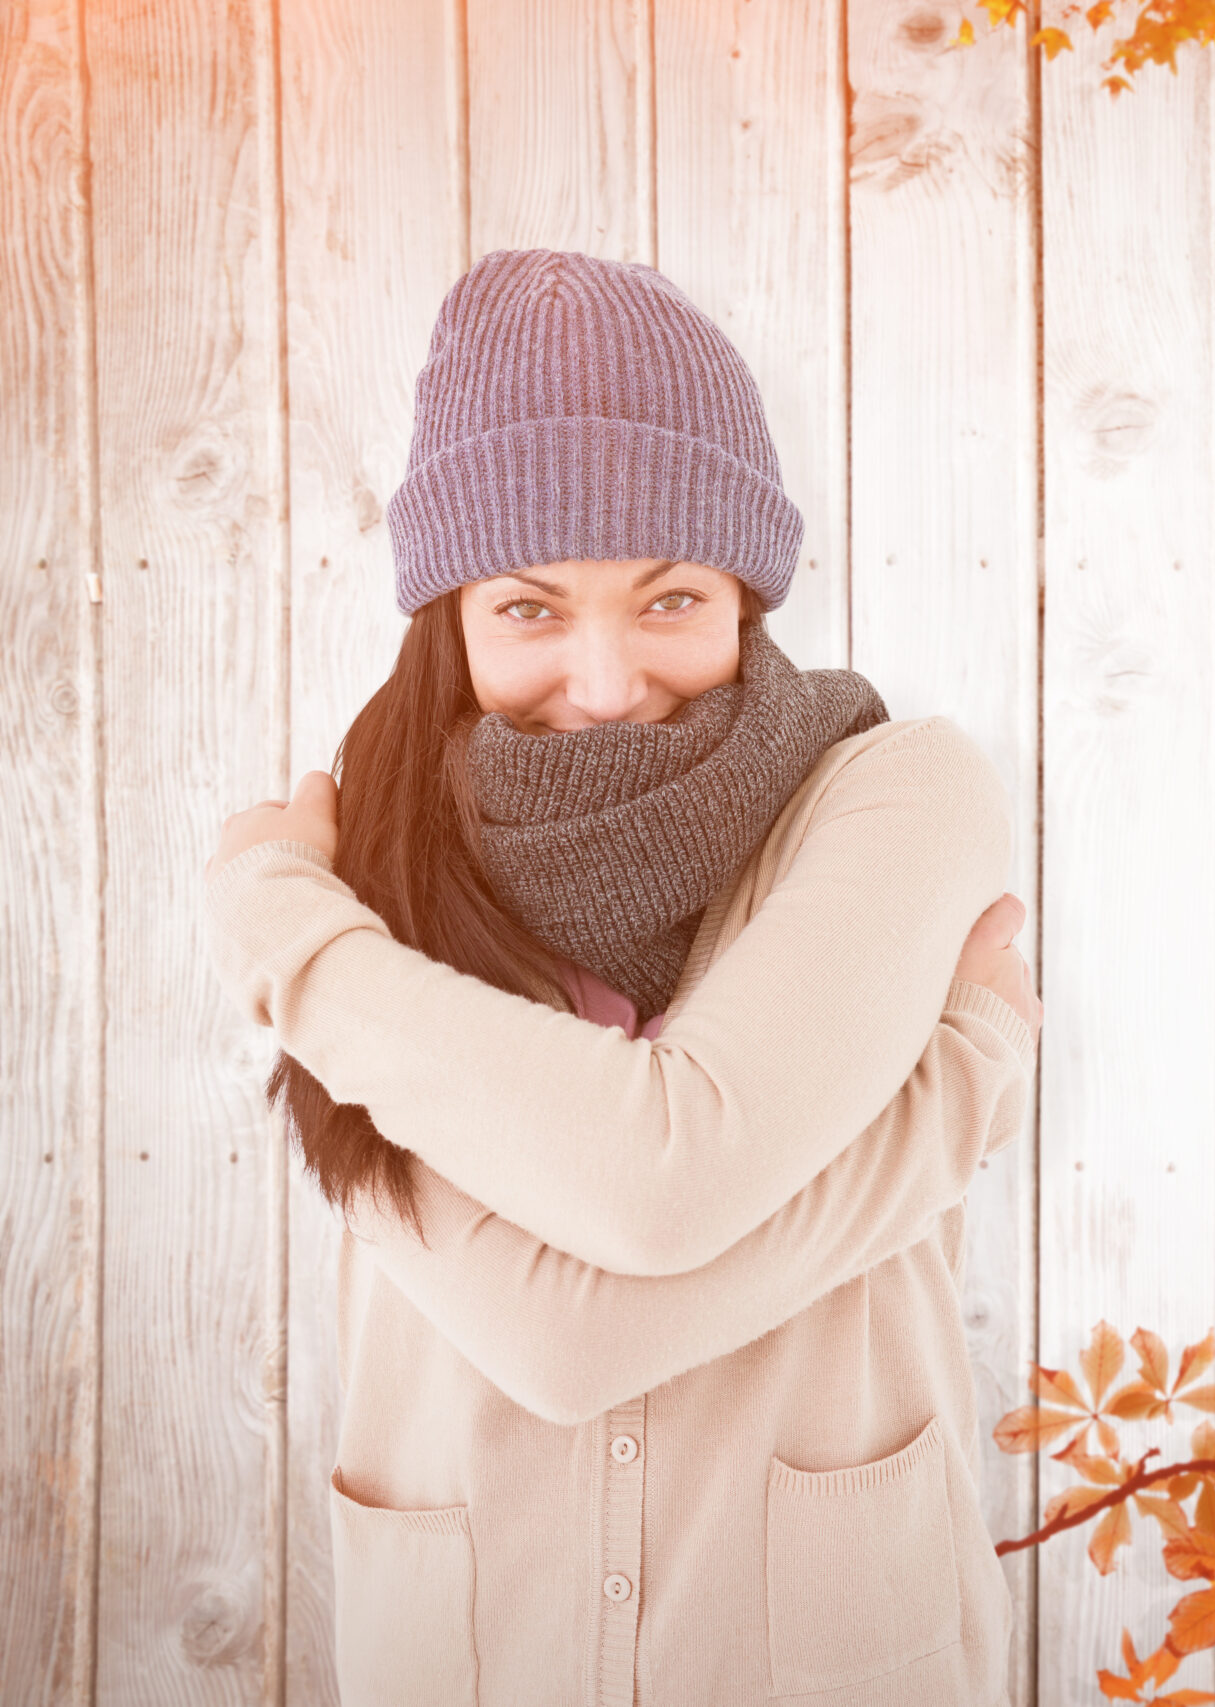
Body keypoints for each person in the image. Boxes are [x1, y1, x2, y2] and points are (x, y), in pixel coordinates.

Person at [197, 248, 1038, 1707]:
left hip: (825, 1657)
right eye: (531, 608)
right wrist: (947, 1108)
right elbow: (562, 1337)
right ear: (449, 615)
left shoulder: (899, 795)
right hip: (475, 1657)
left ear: (747, 596)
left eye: (669, 601)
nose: (602, 681)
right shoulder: (381, 857)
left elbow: (658, 1184)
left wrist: (287, 943)